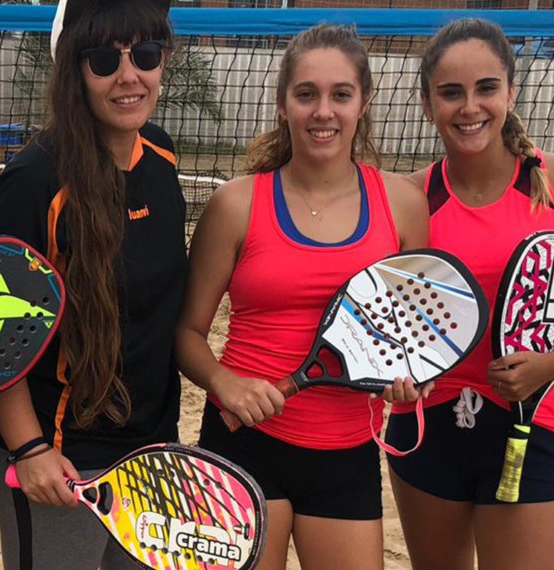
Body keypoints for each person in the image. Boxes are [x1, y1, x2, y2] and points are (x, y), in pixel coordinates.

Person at [382, 18, 554, 570]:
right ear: (427, 103)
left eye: (486, 88)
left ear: (511, 91)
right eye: (450, 92)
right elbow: (389, 321)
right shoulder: (409, 197)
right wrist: (391, 378)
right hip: (430, 421)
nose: (469, 107)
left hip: (540, 418)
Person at [175, 23, 429, 570]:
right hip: (242, 442)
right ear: (283, 102)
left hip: (347, 451)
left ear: (363, 102)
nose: (323, 112)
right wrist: (224, 381)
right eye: (306, 94)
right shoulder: (236, 204)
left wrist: (410, 385)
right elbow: (186, 333)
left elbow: (412, 341)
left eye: (341, 94)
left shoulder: (402, 205)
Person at [0, 1, 186, 569]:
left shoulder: (161, 158)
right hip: (62, 459)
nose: (129, 76)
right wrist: (30, 448)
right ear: (73, 69)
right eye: (104, 59)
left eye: (145, 54)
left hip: (152, 451)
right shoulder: (33, 183)